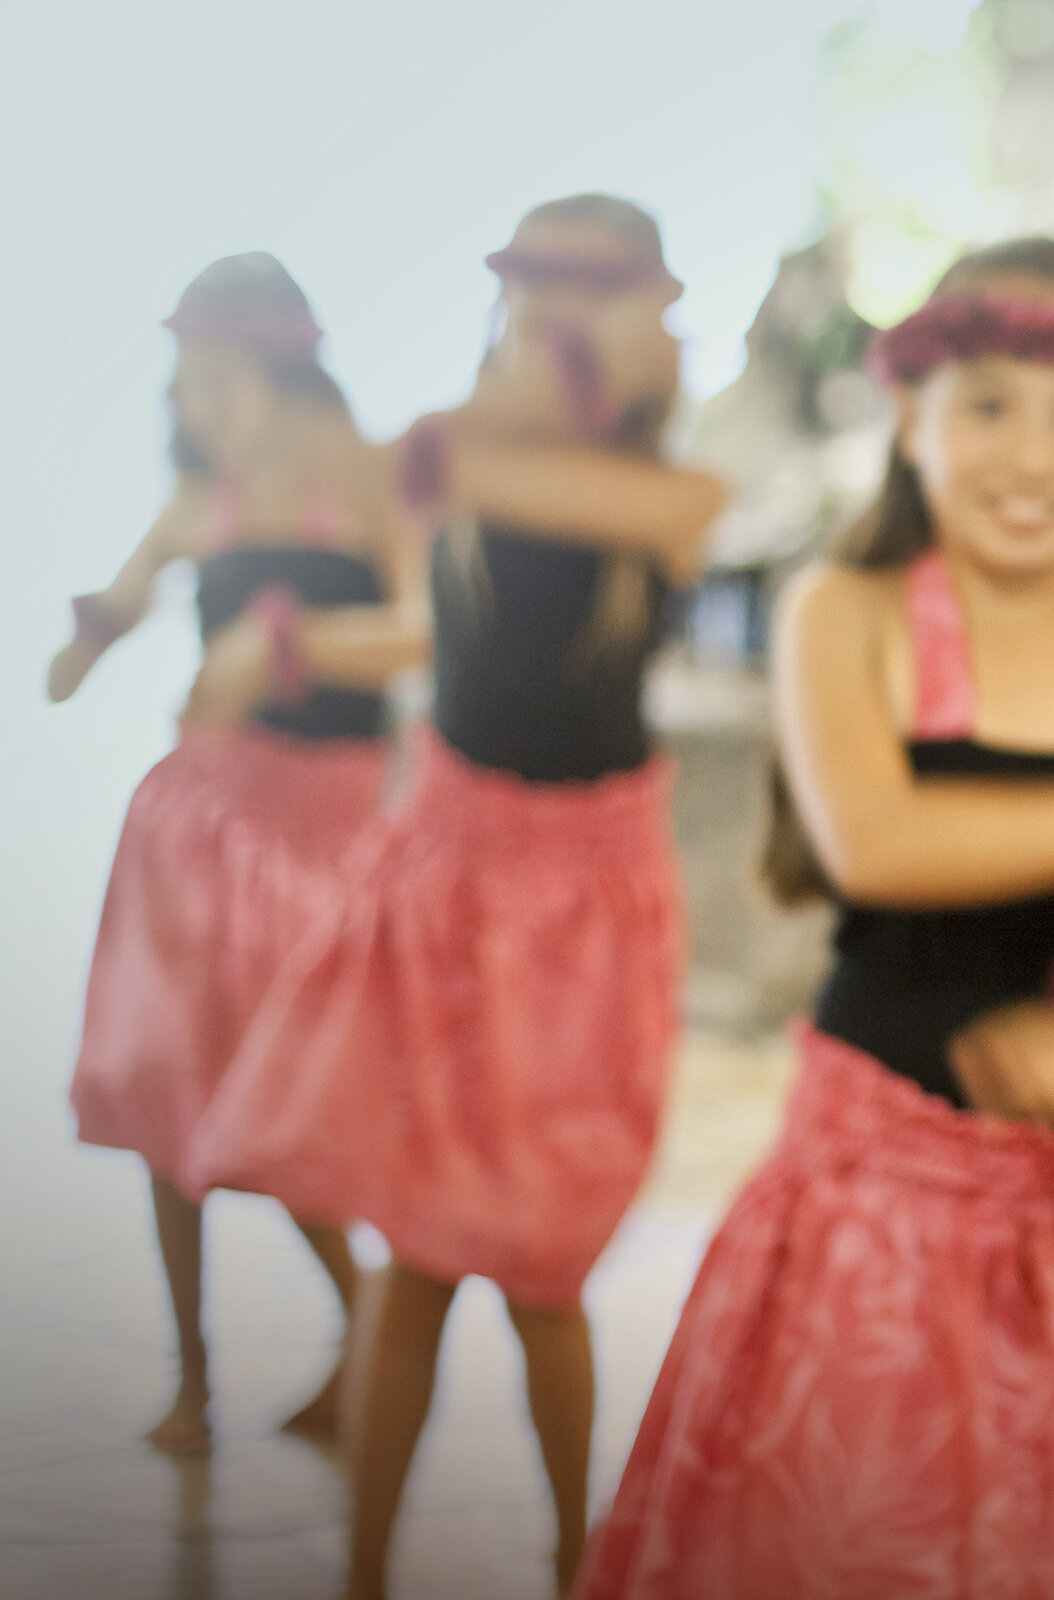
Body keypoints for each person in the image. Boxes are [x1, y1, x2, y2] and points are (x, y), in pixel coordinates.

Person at [574, 238, 1054, 1600]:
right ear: (911, 421)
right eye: (989, 405)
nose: (1035, 453)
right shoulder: (842, 613)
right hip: (866, 1203)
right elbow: (885, 846)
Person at [192, 196, 723, 1600]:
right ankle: (361, 1573)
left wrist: (565, 382)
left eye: (600, 306)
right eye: (540, 306)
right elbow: (422, 617)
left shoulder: (647, 496)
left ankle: (569, 1563)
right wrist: (283, 644)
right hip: (446, 888)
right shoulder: (460, 476)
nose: (566, 338)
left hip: (585, 917)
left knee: (543, 1271)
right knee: (418, 1259)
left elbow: (646, 502)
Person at [55, 254, 427, 1456]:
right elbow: (87, 650)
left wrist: (285, 642)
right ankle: (194, 1376)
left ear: (285, 369)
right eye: (185, 383)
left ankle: (362, 1317)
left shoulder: (374, 481)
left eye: (218, 378)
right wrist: (88, 638)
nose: (196, 406)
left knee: (283, 1094)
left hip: (328, 828)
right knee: (168, 1087)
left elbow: (432, 632)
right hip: (194, 833)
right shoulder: (193, 505)